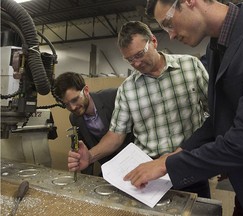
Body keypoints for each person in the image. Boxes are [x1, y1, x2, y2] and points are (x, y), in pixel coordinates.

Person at [124, 0, 243, 215]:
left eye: (169, 23)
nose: (170, 35)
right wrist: (176, 154)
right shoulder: (216, 47)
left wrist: (167, 166)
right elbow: (220, 119)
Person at [67, 21, 211, 198]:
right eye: (129, 60)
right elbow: (115, 135)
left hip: (189, 165)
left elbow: (215, 114)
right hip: (149, 174)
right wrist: (89, 156)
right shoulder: (127, 89)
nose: (135, 63)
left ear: (154, 41)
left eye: (139, 54)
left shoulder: (191, 67)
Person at [53, 72, 134, 175]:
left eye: (75, 100)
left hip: (135, 161)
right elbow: (85, 151)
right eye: (66, 104)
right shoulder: (75, 119)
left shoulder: (114, 98)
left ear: (86, 90)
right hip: (110, 168)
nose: (72, 107)